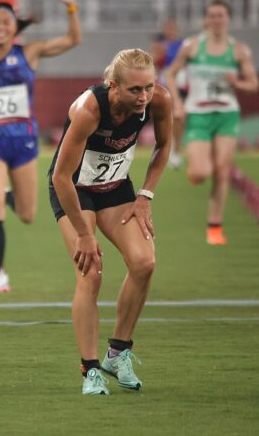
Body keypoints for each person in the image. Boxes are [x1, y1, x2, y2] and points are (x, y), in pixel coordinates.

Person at [49, 48, 171, 395]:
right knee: (91, 270)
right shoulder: (88, 109)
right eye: (134, 90)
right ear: (113, 86)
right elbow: (61, 177)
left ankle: (118, 352)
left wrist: (145, 196)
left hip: (116, 187)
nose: (143, 97)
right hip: (75, 189)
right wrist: (85, 234)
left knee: (144, 262)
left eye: (148, 87)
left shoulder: (159, 101)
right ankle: (89, 370)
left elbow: (164, 146)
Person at [0, 0, 81, 293]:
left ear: (14, 27)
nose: (1, 26)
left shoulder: (29, 53)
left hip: (24, 142)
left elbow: (73, 40)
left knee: (28, 214)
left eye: (7, 21)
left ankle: (7, 194)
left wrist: (71, 8)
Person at [164, 0, 259, 245]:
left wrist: (236, 82)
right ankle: (193, 167)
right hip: (198, 113)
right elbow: (170, 74)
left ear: (228, 19)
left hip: (227, 114)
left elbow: (253, 84)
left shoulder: (238, 50)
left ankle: (214, 226)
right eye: (212, 16)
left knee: (222, 169)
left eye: (221, 16)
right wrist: (177, 102)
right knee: (199, 173)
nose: (217, 20)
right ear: (205, 20)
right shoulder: (193, 47)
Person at [151, 19, 186, 169]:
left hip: (182, 84)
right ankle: (167, 148)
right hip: (165, 86)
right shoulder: (160, 45)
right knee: (167, 118)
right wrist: (158, 52)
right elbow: (151, 62)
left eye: (173, 28)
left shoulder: (184, 45)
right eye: (168, 28)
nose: (170, 31)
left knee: (180, 119)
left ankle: (176, 148)